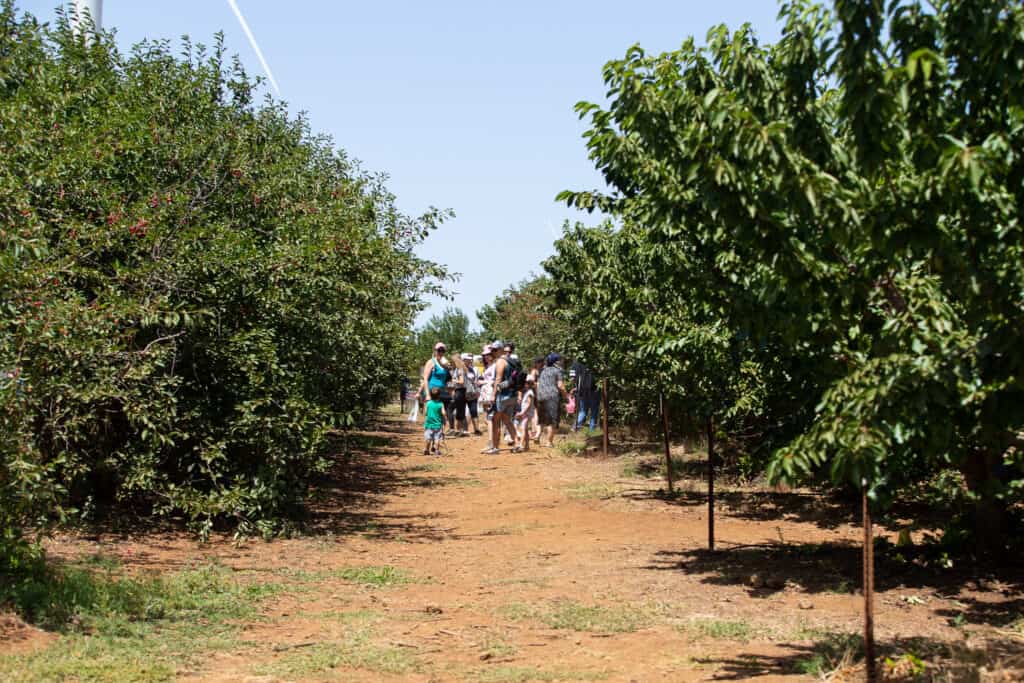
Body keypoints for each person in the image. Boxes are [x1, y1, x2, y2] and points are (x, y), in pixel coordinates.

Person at [484, 340, 515, 455]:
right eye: (492, 350)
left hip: (502, 395)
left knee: (495, 420)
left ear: (501, 350)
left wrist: (493, 395)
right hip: (512, 394)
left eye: (495, 350)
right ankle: (519, 443)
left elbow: (498, 379)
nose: (493, 352)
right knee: (507, 420)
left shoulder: (500, 361)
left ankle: (495, 447)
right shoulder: (510, 361)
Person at [537, 353, 569, 448]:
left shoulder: (542, 370)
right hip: (551, 397)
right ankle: (549, 442)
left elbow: (539, 383)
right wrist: (566, 397)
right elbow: (560, 386)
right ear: (556, 362)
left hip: (540, 396)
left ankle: (537, 436)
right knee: (552, 420)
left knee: (541, 419)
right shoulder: (557, 371)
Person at [421, 342, 451, 424]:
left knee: (442, 413)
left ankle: (440, 433)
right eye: (439, 350)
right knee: (430, 414)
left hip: (441, 392)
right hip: (431, 391)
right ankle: (429, 432)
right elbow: (425, 379)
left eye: (443, 351)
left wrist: (447, 366)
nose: (440, 352)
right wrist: (427, 394)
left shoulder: (445, 363)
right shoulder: (431, 362)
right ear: (435, 351)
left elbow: (449, 377)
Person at [571, 360, 601, 432]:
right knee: (594, 411)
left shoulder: (575, 363)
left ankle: (575, 426)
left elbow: (572, 378)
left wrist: (576, 386)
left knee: (583, 411)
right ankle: (591, 430)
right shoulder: (595, 360)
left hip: (581, 390)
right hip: (594, 389)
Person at [479, 345, 496, 444]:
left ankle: (491, 440)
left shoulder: (494, 366)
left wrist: (484, 382)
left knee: (490, 418)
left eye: (488, 354)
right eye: (484, 355)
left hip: (490, 393)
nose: (486, 356)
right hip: (485, 393)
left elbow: (494, 380)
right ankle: (491, 439)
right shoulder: (488, 366)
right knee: (487, 418)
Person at [514, 376, 536, 453]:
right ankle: (527, 445)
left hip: (527, 413)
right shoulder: (526, 392)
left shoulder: (530, 392)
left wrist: (522, 413)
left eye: (526, 383)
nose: (524, 385)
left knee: (523, 428)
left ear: (529, 384)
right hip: (525, 413)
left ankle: (521, 445)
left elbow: (529, 404)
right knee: (525, 429)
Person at [461, 353, 481, 435]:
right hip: (462, 392)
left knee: (474, 411)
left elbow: (477, 381)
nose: (470, 360)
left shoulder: (474, 369)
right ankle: (464, 429)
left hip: (472, 393)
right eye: (467, 359)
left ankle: (476, 429)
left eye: (470, 359)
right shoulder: (460, 369)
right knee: (463, 411)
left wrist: (478, 390)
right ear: (463, 360)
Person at [423, 387, 446, 455]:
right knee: (437, 439)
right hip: (438, 425)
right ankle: (437, 451)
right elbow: (443, 413)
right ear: (439, 395)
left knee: (428, 438)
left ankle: (427, 450)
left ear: (430, 395)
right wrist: (444, 418)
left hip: (429, 425)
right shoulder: (441, 404)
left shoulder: (428, 403)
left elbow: (425, 413)